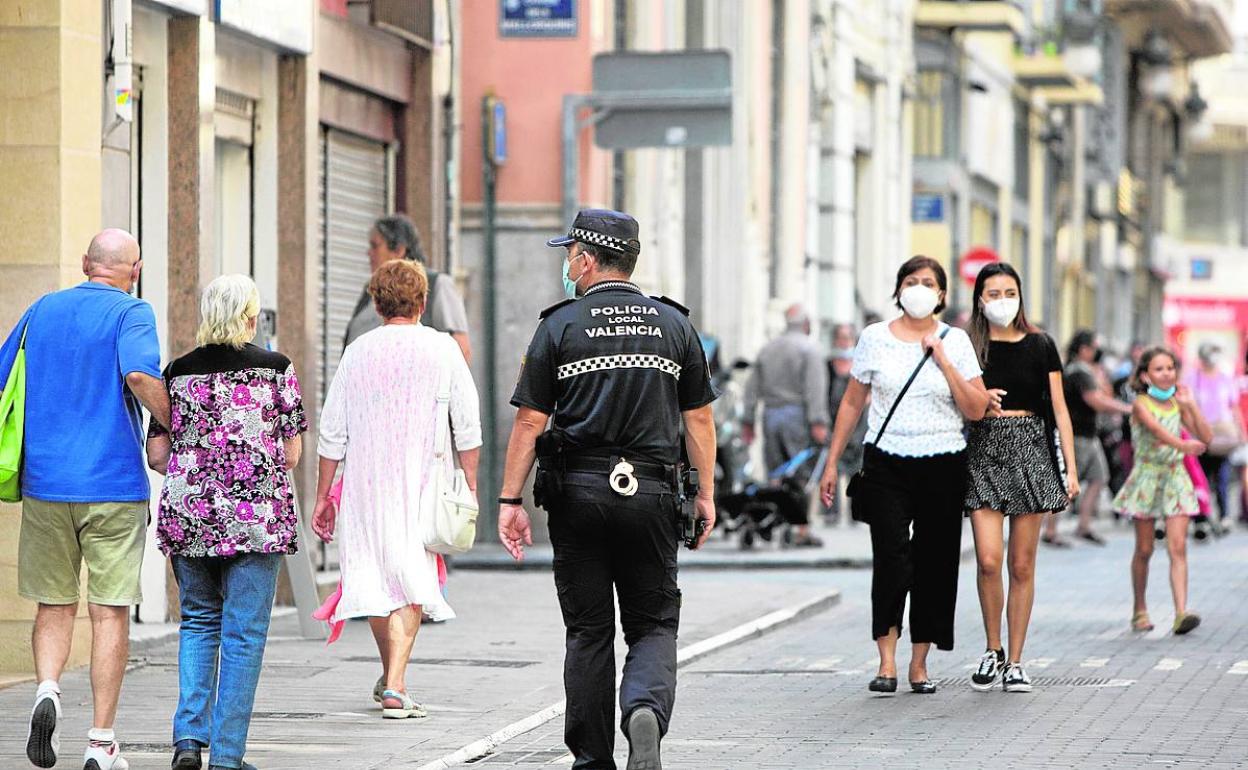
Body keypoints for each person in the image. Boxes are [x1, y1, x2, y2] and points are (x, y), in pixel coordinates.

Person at [497, 209, 718, 769]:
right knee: (652, 622)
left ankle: (592, 760)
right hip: (653, 495)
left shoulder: (559, 326)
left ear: (588, 259)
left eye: (569, 253)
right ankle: (643, 708)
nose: (567, 264)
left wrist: (508, 501)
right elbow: (699, 422)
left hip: (577, 493)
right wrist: (706, 495)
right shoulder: (674, 327)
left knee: (589, 631)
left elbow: (529, 422)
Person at [0, 230, 170, 770]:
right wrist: (175, 422)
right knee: (109, 612)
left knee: (53, 604)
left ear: (84, 265)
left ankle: (47, 689)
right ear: (135, 269)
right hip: (112, 485)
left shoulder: (42, 309)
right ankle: (100, 741)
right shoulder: (132, 312)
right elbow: (140, 374)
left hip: (46, 482)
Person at [145, 275, 306, 770]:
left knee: (197, 622)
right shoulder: (275, 370)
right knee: (243, 634)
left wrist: (198, 463)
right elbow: (291, 453)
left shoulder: (177, 372)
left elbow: (156, 454)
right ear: (251, 317)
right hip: (254, 521)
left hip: (191, 517)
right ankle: (228, 757)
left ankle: (188, 743)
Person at [312, 259, 480, 720]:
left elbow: (332, 432)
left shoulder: (357, 351)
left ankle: (390, 677)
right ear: (423, 302)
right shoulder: (442, 348)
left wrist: (324, 495)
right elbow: (467, 426)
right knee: (409, 580)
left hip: (364, 485)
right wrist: (471, 485)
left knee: (372, 580)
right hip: (421, 482)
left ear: (376, 302)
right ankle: (397, 686)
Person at [818, 256, 989, 696]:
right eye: (910, 282)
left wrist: (944, 360)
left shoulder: (958, 341)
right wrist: (832, 462)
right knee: (891, 559)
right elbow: (854, 402)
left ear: (942, 295)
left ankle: (919, 663)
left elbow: (974, 409)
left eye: (927, 283)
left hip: (943, 461)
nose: (918, 289)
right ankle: (886, 661)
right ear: (898, 290)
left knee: (935, 562)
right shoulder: (874, 337)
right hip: (886, 460)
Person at [962, 264, 1079, 694]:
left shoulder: (1041, 344)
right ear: (980, 299)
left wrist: (1070, 467)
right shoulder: (968, 345)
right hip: (984, 449)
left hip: (1031, 449)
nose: (1002, 300)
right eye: (993, 293)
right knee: (989, 559)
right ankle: (991, 649)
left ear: (1021, 296)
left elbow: (1060, 408)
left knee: (1022, 564)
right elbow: (955, 398)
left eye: (1009, 291)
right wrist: (977, 400)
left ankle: (1015, 660)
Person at [1113, 347, 1212, 635]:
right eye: (1159, 369)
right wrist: (1183, 446)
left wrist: (1191, 405)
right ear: (1145, 375)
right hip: (1147, 478)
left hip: (1175, 478)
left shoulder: (1179, 403)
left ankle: (1181, 612)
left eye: (1170, 368)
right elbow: (1157, 431)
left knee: (1177, 546)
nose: (1166, 373)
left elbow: (1206, 437)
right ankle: (1139, 609)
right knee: (1144, 549)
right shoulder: (1141, 403)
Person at [742, 304, 829, 545]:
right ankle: (800, 529)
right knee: (800, 474)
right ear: (806, 323)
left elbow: (751, 388)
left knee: (776, 473)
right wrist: (818, 421)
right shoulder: (809, 349)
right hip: (797, 415)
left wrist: (748, 420)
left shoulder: (768, 348)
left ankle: (774, 522)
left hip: (770, 415)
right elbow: (815, 389)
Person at [1043, 330, 1132, 547]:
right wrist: (1128, 408)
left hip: (1090, 435)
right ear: (1084, 349)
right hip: (1078, 435)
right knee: (1068, 484)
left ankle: (1083, 526)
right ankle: (1050, 530)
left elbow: (1102, 394)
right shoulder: (1077, 372)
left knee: (1099, 477)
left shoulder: (1086, 370)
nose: (1096, 352)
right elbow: (1095, 400)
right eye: (1093, 347)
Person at [344, 213, 472, 361]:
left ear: (398, 250)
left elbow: (462, 350)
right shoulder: (370, 291)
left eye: (375, 246)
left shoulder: (437, 285)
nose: (368, 253)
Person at [1187, 342, 1243, 537]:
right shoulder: (1193, 378)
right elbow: (1186, 408)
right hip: (1199, 435)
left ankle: (1224, 516)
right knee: (1199, 478)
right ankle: (1201, 520)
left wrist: (1241, 431)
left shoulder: (1225, 379)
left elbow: (1233, 407)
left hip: (1222, 436)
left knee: (1222, 477)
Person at [825, 324, 868, 524]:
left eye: (847, 338)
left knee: (857, 470)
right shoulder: (828, 366)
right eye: (840, 338)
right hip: (835, 424)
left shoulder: (861, 363)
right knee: (831, 466)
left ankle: (855, 513)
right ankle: (830, 513)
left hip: (859, 425)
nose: (844, 342)